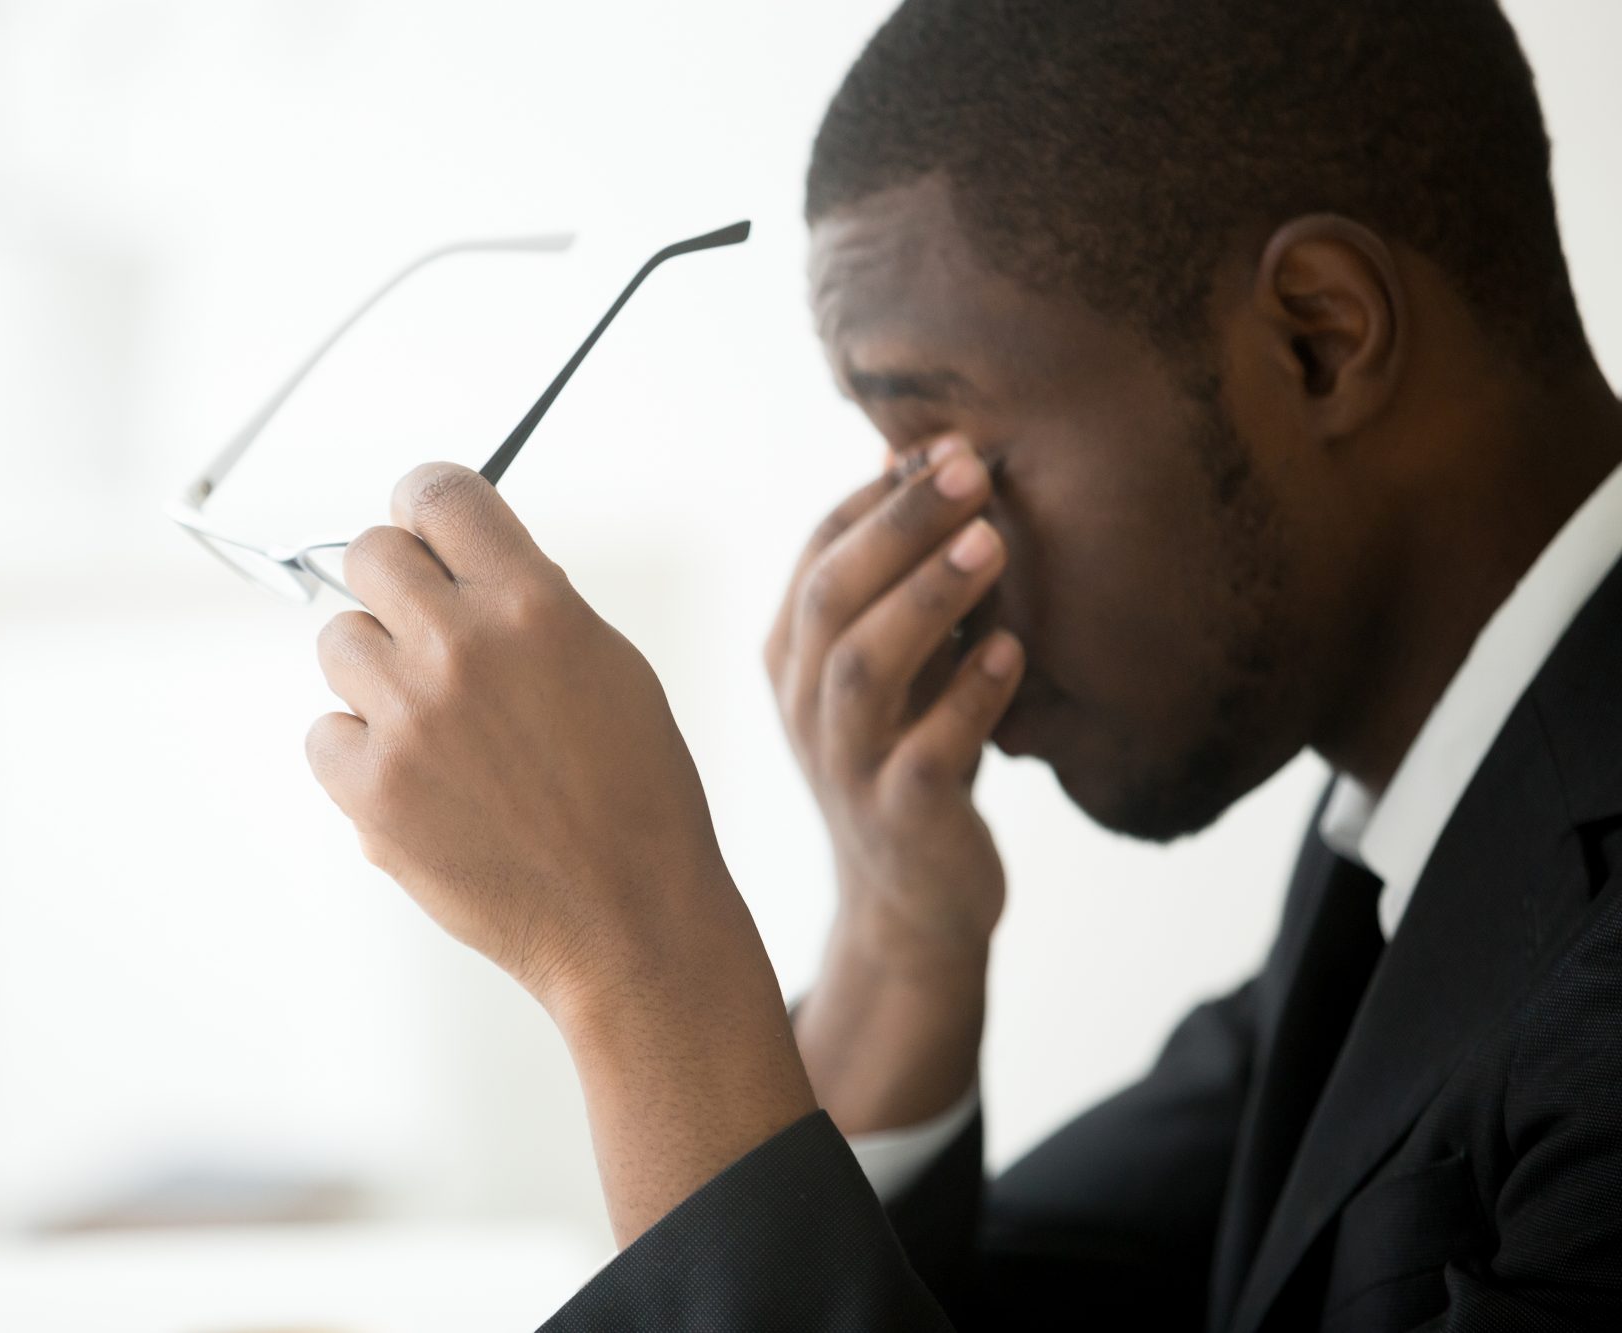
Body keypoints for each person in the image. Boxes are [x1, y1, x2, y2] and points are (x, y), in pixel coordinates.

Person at [302, 1, 1622, 1327]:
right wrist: (896, 933)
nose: (917, 564)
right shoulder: (1408, 875)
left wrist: (641, 967)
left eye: (953, 452)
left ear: (1318, 340)